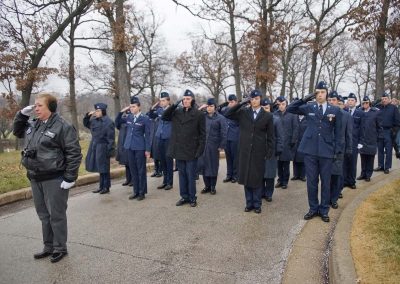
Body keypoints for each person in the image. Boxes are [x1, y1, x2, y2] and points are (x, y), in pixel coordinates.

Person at [13, 93, 82, 263]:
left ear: (50, 107)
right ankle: (48, 246)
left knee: (56, 215)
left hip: (54, 178)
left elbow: (74, 153)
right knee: (43, 214)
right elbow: (17, 131)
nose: (35, 108)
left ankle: (60, 248)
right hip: (35, 177)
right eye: (34, 105)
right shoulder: (34, 124)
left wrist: (70, 177)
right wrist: (21, 114)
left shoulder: (63, 126)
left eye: (39, 106)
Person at [286, 81, 342, 223]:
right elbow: (290, 108)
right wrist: (306, 98)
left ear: (327, 93)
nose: (320, 94)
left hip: (326, 151)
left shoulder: (334, 110)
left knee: (325, 182)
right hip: (310, 150)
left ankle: (324, 210)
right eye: (317, 92)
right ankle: (313, 208)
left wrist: (336, 151)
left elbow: (339, 133)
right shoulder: (309, 107)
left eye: (322, 92)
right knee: (311, 182)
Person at [225, 90, 274, 214]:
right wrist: (242, 103)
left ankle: (257, 204)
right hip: (245, 151)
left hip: (259, 151)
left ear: (260, 99)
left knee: (257, 178)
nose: (254, 101)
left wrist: (269, 151)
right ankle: (249, 203)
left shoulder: (267, 116)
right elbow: (228, 113)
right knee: (246, 177)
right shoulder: (243, 113)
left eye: (256, 98)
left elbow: (271, 136)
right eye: (252, 99)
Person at [162, 89, 206, 207]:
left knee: (190, 175)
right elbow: (164, 116)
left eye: (188, 99)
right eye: (184, 99)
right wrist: (175, 104)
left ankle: (192, 198)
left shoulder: (199, 114)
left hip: (192, 150)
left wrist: (200, 150)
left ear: (192, 100)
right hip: (179, 149)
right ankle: (184, 196)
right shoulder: (177, 112)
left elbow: (203, 135)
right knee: (181, 175)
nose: (185, 101)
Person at [116, 96, 151, 201]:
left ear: (139, 107)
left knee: (141, 170)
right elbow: (117, 122)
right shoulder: (129, 117)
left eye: (134, 106)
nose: (131, 108)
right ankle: (135, 191)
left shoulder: (145, 118)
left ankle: (142, 192)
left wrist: (148, 150)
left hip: (140, 147)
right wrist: (121, 111)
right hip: (129, 147)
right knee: (133, 170)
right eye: (130, 107)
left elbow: (148, 135)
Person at [327, 92, 352, 209]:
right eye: (330, 100)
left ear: (337, 101)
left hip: (339, 150)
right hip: (326, 149)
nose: (331, 102)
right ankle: (326, 198)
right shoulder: (324, 113)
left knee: (336, 176)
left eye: (333, 100)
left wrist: (349, 149)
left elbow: (348, 134)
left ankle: (334, 199)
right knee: (326, 176)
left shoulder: (346, 115)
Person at [84, 103, 115, 194]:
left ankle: (106, 187)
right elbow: (86, 124)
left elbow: (111, 138)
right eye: (96, 111)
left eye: (98, 111)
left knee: (104, 168)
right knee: (99, 168)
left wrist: (110, 150)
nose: (96, 112)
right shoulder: (94, 120)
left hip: (103, 146)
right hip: (95, 146)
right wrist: (87, 115)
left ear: (103, 111)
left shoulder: (108, 122)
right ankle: (101, 186)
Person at [198, 98, 227, 195]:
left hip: (214, 146)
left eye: (211, 106)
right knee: (204, 166)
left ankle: (213, 187)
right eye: (208, 106)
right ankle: (207, 186)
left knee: (213, 166)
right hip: (203, 145)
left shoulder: (220, 118)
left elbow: (224, 132)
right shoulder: (202, 116)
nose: (209, 108)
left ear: (215, 107)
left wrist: (221, 145)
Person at [147, 91, 174, 190]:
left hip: (168, 138)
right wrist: (153, 107)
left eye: (163, 100)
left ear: (168, 101)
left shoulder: (172, 111)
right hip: (159, 137)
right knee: (162, 160)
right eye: (160, 101)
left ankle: (169, 182)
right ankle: (164, 181)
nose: (161, 102)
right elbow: (150, 115)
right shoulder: (159, 110)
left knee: (168, 161)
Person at [261, 98, 283, 202]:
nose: (264, 110)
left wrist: (279, 148)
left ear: (270, 108)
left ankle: (269, 193)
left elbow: (280, 136)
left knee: (269, 174)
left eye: (266, 108)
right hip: (259, 150)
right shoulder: (257, 119)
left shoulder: (276, 119)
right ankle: (261, 192)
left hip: (271, 150)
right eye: (262, 108)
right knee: (260, 173)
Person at [274, 96, 298, 189]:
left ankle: (285, 181)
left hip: (288, 143)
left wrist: (293, 141)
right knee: (278, 164)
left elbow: (296, 128)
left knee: (286, 164)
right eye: (279, 104)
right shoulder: (275, 114)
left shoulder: (292, 114)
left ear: (286, 104)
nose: (281, 106)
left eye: (283, 104)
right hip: (278, 143)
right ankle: (280, 180)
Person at [357, 96, 381, 182]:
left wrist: (377, 136)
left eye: (366, 103)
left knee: (370, 158)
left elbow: (379, 126)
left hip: (371, 138)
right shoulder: (359, 111)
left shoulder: (375, 112)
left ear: (369, 103)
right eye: (363, 103)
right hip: (362, 139)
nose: (365, 104)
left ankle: (368, 175)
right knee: (363, 157)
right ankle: (363, 174)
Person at [375, 93, 400, 174]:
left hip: (389, 131)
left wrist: (394, 131)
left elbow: (397, 121)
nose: (384, 100)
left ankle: (387, 167)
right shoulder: (379, 108)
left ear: (389, 99)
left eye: (385, 98)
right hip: (380, 131)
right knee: (380, 149)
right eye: (383, 99)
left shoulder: (393, 108)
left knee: (388, 150)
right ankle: (380, 165)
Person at [343, 93, 363, 189]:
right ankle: (344, 180)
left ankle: (351, 181)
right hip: (345, 140)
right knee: (344, 161)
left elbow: (363, 128)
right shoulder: (344, 111)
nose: (350, 102)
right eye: (349, 100)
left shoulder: (360, 113)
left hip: (354, 141)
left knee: (352, 162)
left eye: (352, 100)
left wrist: (360, 142)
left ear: (356, 102)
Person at [218, 94, 240, 183]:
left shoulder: (239, 110)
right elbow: (218, 111)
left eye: (232, 102)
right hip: (227, 137)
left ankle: (235, 175)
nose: (230, 104)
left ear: (236, 102)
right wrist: (225, 104)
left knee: (235, 158)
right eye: (229, 102)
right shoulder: (225, 109)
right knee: (228, 157)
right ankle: (229, 175)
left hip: (235, 136)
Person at [115, 109, 132, 186]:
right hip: (122, 144)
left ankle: (133, 180)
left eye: (129, 114)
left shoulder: (132, 121)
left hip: (130, 144)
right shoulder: (122, 121)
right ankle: (128, 179)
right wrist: (121, 112)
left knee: (131, 164)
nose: (127, 116)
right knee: (126, 164)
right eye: (126, 114)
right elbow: (117, 122)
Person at [292, 104, 307, 182]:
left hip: (303, 142)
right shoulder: (295, 117)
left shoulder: (307, 118)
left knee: (303, 160)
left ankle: (302, 175)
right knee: (295, 159)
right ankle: (295, 175)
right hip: (295, 142)